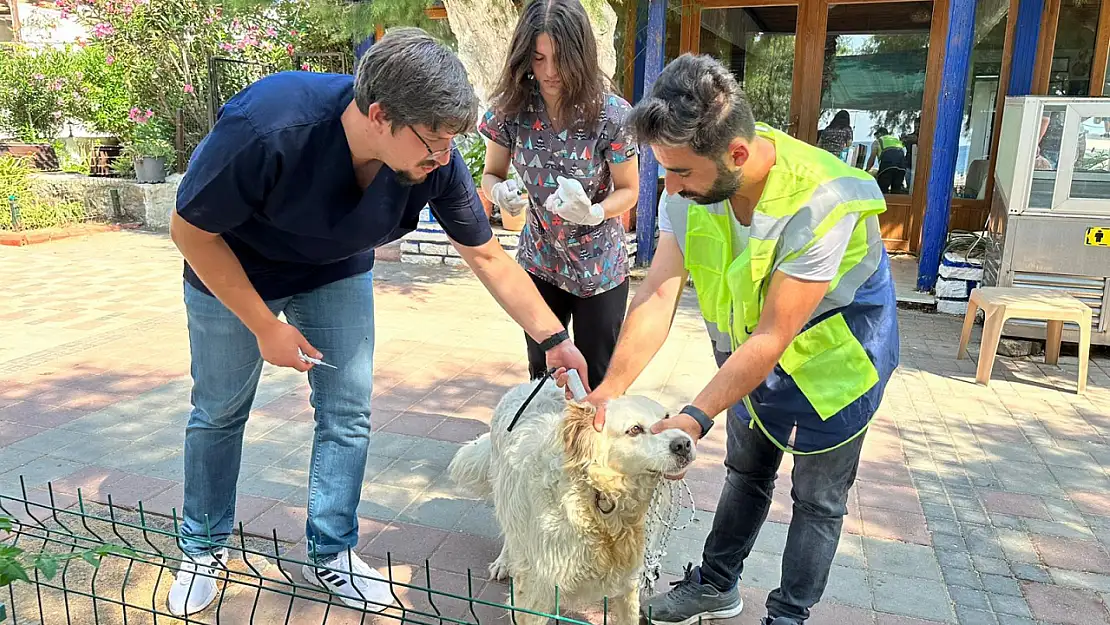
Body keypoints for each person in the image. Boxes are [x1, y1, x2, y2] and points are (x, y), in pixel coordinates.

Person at [166, 28, 589, 617]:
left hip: (335, 271)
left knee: (348, 412)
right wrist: (265, 326)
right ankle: (202, 548)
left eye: (451, 142)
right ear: (380, 113)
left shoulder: (433, 160)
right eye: (434, 141)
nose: (444, 157)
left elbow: (488, 254)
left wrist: (554, 338)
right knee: (218, 411)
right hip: (234, 270)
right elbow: (189, 231)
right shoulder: (269, 127)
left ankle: (333, 552)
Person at [560, 54, 900, 625]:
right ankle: (716, 585)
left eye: (683, 173)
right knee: (747, 471)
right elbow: (658, 294)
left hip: (837, 361)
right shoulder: (688, 191)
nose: (669, 188)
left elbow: (775, 333)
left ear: (735, 155)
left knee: (818, 500)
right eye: (664, 170)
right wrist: (609, 391)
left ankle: (788, 616)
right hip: (746, 356)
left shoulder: (824, 199)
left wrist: (694, 417)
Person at [479, 0, 639, 390]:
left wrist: (596, 212)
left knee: (596, 379)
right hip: (540, 262)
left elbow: (630, 190)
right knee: (544, 377)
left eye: (560, 59)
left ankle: (590, 451)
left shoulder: (611, 114)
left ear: (581, 55)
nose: (549, 72)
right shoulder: (512, 109)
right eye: (537, 58)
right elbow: (490, 173)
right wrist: (498, 192)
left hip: (599, 269)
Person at [866, 127, 907, 194]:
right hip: (901, 166)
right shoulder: (896, 140)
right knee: (896, 191)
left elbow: (872, 158)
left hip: (888, 164)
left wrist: (867, 171)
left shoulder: (878, 141)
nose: (876, 138)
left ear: (880, 134)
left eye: (876, 136)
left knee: (882, 191)